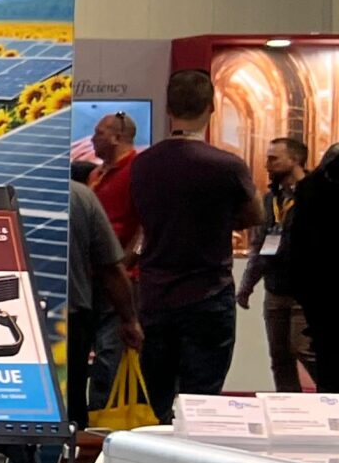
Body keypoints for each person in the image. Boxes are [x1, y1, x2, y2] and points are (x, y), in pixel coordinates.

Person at [127, 69, 263, 423]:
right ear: (211, 107)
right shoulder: (227, 165)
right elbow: (256, 214)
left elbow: (140, 218)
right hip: (208, 293)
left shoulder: (142, 165)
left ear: (169, 107)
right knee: (203, 399)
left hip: (156, 294)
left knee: (158, 398)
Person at [237, 135, 313, 391]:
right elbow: (260, 244)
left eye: (273, 159)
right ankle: (289, 407)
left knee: (306, 352)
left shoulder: (316, 195)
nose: (267, 164)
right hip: (275, 290)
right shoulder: (271, 199)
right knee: (280, 359)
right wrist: (247, 285)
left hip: (305, 292)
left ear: (295, 160)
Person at [66, 177, 142, 425]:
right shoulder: (78, 195)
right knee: (70, 399)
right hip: (68, 316)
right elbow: (110, 267)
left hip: (2, 308)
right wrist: (129, 320)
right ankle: (69, 447)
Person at [282, 143, 339, 392]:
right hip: (318, 289)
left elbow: (298, 247)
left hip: (318, 291)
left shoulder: (309, 189)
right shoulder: (310, 190)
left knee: (327, 364)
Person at [87, 111, 141, 263]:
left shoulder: (138, 171)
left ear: (116, 138)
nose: (92, 139)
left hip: (124, 270)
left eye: (99, 134)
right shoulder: (95, 174)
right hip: (96, 268)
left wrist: (125, 265)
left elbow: (146, 229)